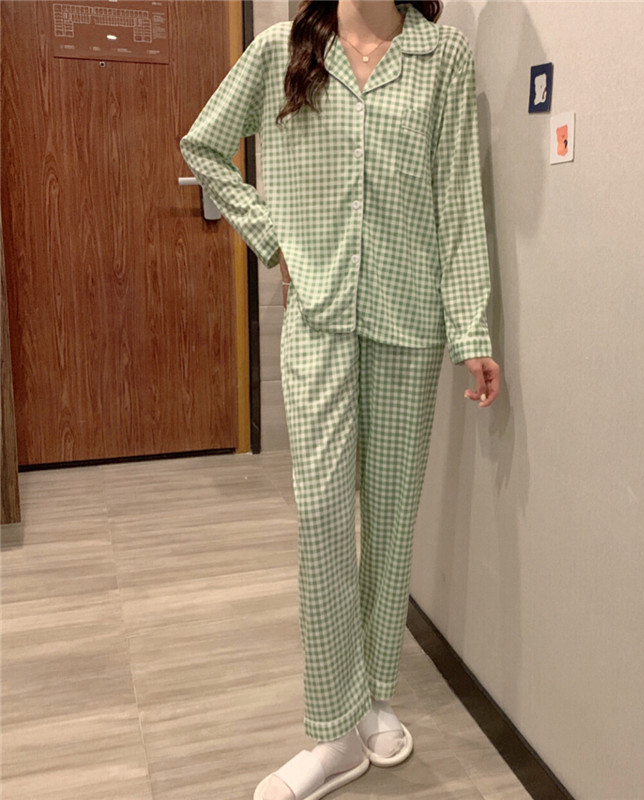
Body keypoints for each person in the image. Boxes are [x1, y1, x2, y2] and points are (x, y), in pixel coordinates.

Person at [180, 1, 500, 798]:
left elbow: (458, 198)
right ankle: (332, 731)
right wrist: (273, 236)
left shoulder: (443, 59)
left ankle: (376, 696)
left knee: (390, 518)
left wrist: (471, 327)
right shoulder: (279, 51)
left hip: (409, 322)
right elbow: (204, 144)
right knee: (323, 516)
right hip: (318, 323)